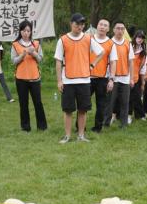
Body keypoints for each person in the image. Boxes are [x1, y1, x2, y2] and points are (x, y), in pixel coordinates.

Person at [54, 13, 104, 143]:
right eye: (77, 24)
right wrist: (59, 81)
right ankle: (67, 136)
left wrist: (92, 65)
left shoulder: (88, 38)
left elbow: (101, 52)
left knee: (83, 110)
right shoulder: (63, 40)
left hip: (84, 80)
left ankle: (81, 135)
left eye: (82, 24)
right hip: (68, 80)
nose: (80, 27)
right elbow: (58, 61)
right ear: (71, 24)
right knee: (68, 110)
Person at [12, 20, 47, 132]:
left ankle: (42, 126)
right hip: (21, 78)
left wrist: (33, 53)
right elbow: (14, 61)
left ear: (31, 32)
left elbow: (40, 59)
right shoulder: (15, 44)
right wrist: (22, 55)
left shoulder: (36, 44)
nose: (26, 33)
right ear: (20, 31)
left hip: (35, 78)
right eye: (23, 30)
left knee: (38, 102)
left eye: (28, 31)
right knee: (23, 103)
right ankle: (25, 127)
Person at [104, 21, 134, 129]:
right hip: (112, 78)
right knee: (110, 102)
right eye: (118, 28)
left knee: (125, 102)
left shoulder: (128, 43)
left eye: (122, 28)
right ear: (113, 30)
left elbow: (131, 62)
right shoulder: (109, 42)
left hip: (125, 77)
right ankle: (106, 123)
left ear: (124, 30)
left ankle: (123, 124)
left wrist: (132, 78)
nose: (120, 31)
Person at [89, 18, 115, 132]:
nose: (102, 27)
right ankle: (80, 127)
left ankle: (97, 127)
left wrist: (111, 79)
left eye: (105, 25)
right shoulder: (89, 39)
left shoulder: (110, 43)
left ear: (108, 29)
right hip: (87, 77)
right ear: (97, 26)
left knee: (101, 105)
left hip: (102, 78)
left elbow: (113, 62)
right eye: (100, 24)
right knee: (83, 103)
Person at [128, 30, 147, 123]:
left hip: (135, 78)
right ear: (135, 37)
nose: (140, 39)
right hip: (125, 76)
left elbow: (142, 68)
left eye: (142, 38)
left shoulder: (142, 52)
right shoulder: (128, 47)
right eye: (139, 37)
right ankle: (125, 115)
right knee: (127, 98)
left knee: (136, 97)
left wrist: (142, 82)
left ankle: (138, 115)